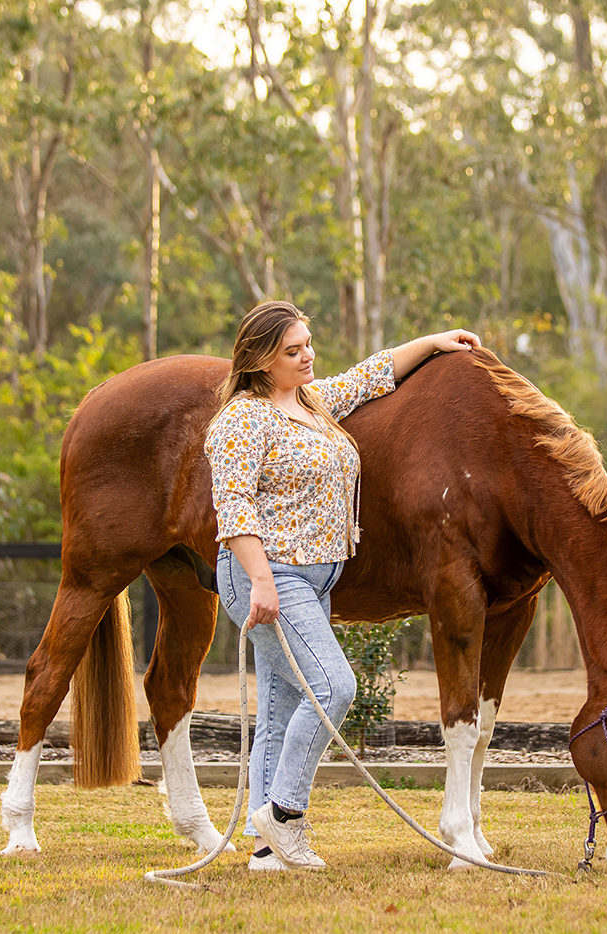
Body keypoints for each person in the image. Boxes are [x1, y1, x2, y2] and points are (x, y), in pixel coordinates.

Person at [205, 300, 480, 871]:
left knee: (281, 711)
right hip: (268, 578)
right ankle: (284, 817)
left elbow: (371, 373)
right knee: (334, 688)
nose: (308, 356)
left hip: (314, 578)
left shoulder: (313, 402)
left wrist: (434, 341)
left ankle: (264, 851)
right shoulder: (241, 420)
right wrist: (261, 581)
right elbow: (233, 509)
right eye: (293, 350)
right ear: (260, 359)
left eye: (308, 344)